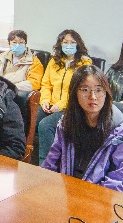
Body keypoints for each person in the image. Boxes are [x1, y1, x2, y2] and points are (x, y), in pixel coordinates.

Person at [42, 65, 123, 193]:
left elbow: (121, 180)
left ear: (106, 93)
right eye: (85, 90)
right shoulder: (67, 123)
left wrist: (86, 197)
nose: (93, 96)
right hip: (68, 192)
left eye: (98, 90)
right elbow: (51, 163)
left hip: (103, 198)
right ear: (75, 93)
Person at [36, 29, 93, 161]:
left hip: (71, 107)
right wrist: (45, 101)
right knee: (31, 118)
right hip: (50, 104)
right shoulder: (54, 61)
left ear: (78, 44)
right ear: (60, 44)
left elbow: (80, 90)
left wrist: (60, 105)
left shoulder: (85, 64)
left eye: (72, 42)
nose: (68, 45)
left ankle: (47, 164)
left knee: (45, 125)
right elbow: (46, 84)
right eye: (65, 42)